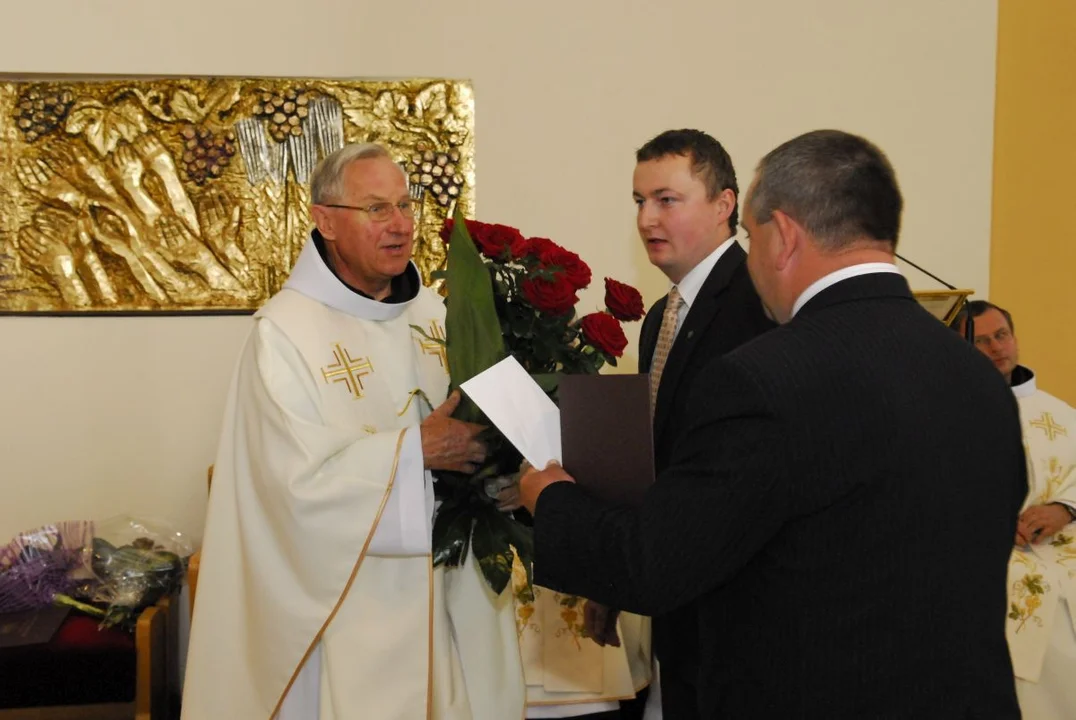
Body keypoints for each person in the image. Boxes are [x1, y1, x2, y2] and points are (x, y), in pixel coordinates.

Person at [519, 129, 1026, 718]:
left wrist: (551, 498)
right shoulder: (979, 378)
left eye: (752, 235)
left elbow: (656, 562)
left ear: (782, 235)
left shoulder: (765, 378)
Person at [182, 142, 525, 719]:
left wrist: (506, 469)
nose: (399, 225)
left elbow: (482, 433)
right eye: (376, 209)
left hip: (448, 598)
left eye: (405, 206)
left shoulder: (436, 315)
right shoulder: (284, 335)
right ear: (325, 221)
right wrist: (408, 453)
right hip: (344, 610)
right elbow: (285, 493)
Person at [593, 128, 775, 720]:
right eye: (639, 201)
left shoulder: (758, 307)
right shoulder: (660, 317)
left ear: (724, 205)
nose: (647, 218)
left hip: (740, 614)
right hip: (682, 601)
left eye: (667, 199)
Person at [955, 300, 1076, 719]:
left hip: (1065, 552)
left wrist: (1065, 508)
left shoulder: (1060, 414)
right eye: (982, 341)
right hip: (998, 562)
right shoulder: (950, 412)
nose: (996, 348)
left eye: (1001, 335)